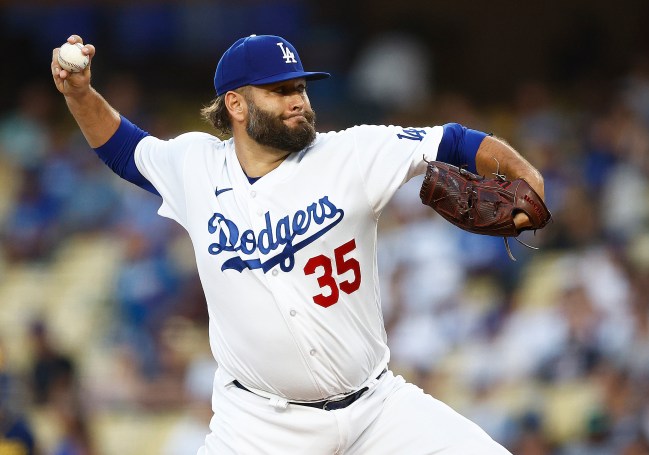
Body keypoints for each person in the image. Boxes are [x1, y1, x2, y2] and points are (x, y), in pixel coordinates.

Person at [51, 33, 545, 454]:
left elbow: (454, 140)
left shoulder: (350, 154)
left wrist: (525, 175)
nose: (298, 100)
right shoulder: (195, 166)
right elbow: (123, 149)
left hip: (377, 411)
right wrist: (79, 95)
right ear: (236, 104)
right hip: (258, 426)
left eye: (301, 88)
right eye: (280, 90)